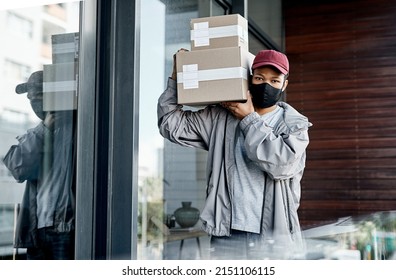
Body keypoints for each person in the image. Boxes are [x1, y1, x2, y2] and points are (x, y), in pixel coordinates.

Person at [157, 49, 312, 259]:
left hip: (272, 237)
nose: (266, 85)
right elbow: (170, 125)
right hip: (227, 237)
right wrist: (176, 77)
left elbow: (281, 166)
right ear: (250, 80)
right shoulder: (220, 117)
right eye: (259, 78)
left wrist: (249, 119)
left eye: (275, 81)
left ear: (284, 85)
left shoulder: (294, 126)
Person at [3, 70, 76, 260]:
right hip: (37, 231)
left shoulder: (76, 129)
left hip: (65, 229)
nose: (34, 102)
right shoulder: (38, 133)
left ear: (51, 96)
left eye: (38, 96)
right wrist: (45, 130)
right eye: (30, 98)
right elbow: (18, 168)